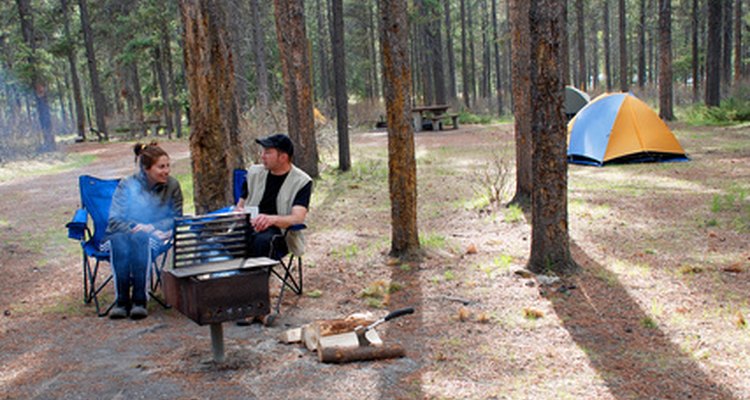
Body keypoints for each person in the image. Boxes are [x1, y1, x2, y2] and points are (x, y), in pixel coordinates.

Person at [105, 142, 183, 320]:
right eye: (161, 167)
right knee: (118, 240)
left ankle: (140, 300)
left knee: (141, 238)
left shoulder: (172, 185)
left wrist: (153, 227)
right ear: (146, 169)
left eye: (168, 166)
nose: (166, 171)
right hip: (124, 234)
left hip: (156, 236)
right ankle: (122, 301)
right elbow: (114, 220)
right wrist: (133, 227)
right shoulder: (127, 185)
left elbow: (177, 218)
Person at [236, 133, 312, 259]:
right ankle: (231, 278)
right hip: (248, 226)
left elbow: (297, 218)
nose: (262, 156)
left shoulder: (302, 182)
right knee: (226, 240)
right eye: (263, 151)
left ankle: (255, 278)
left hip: (279, 232)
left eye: (267, 152)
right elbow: (240, 205)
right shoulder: (253, 173)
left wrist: (270, 220)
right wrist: (239, 212)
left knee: (261, 242)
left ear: (283, 157)